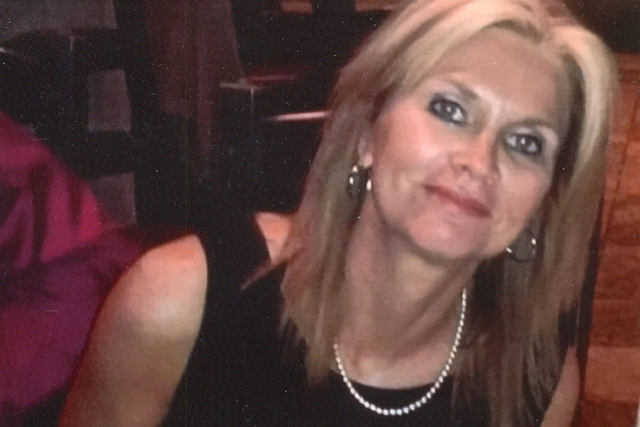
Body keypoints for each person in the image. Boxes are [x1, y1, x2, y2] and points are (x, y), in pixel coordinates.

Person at [59, 0, 616, 426]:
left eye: (526, 143)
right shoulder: (179, 302)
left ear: (545, 200)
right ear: (367, 132)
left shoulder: (536, 382)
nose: (480, 161)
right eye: (449, 109)